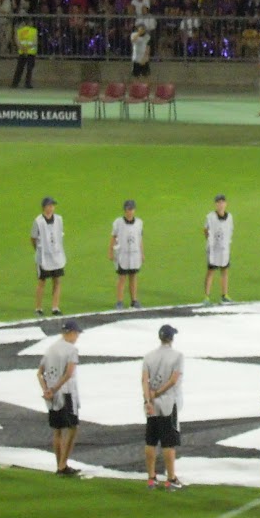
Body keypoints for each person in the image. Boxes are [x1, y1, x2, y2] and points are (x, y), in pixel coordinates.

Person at [37, 319, 82, 476]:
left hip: (52, 396)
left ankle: (60, 465)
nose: (77, 337)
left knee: (57, 430)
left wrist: (47, 390)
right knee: (72, 427)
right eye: (76, 333)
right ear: (71, 333)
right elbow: (68, 374)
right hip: (66, 393)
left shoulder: (51, 348)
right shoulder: (71, 350)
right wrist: (55, 389)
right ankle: (63, 465)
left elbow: (39, 373)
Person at [142, 323, 185, 489]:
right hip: (168, 402)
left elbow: (144, 380)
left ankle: (151, 477)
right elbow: (173, 380)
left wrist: (148, 399)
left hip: (152, 404)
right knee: (168, 442)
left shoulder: (149, 356)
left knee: (151, 440)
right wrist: (158, 392)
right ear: (171, 338)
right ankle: (171, 478)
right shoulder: (177, 356)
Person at [32, 197, 67, 317]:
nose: (52, 208)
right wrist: (38, 250)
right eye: (49, 205)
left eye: (53, 206)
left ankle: (55, 307)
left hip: (56, 255)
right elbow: (33, 238)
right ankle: (38, 308)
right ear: (44, 207)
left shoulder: (59, 219)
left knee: (57, 280)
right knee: (42, 281)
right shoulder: (38, 221)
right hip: (44, 256)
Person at [109, 199, 143, 309]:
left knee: (133, 277)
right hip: (122, 255)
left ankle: (134, 300)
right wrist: (110, 251)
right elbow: (113, 237)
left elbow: (140, 239)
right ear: (125, 210)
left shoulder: (139, 223)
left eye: (132, 209)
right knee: (122, 278)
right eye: (129, 209)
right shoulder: (118, 222)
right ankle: (119, 301)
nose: (130, 211)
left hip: (134, 255)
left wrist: (142, 253)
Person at [203, 194, 234, 303]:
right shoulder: (210, 217)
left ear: (226, 204)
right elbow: (205, 230)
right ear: (216, 204)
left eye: (222, 202)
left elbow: (230, 230)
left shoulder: (229, 217)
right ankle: (206, 296)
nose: (221, 205)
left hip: (224, 249)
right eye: (218, 202)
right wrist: (211, 241)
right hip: (214, 249)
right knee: (211, 271)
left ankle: (224, 294)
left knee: (224, 270)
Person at [10, 18, 38, 89]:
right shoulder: (34, 31)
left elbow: (17, 41)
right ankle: (27, 84)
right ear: (31, 23)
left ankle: (15, 83)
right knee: (29, 69)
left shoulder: (20, 31)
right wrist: (28, 48)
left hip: (22, 52)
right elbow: (35, 42)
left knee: (19, 68)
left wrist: (22, 48)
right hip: (31, 52)